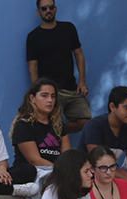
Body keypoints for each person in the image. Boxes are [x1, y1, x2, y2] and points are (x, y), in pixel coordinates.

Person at [26, 0, 91, 134]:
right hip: (50, 92)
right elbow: (33, 67)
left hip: (72, 89)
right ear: (39, 12)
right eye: (44, 9)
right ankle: (56, 136)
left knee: (86, 122)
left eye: (51, 7)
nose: (48, 11)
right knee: (51, 123)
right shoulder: (33, 37)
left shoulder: (68, 28)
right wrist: (37, 92)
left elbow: (79, 54)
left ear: (55, 9)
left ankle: (59, 130)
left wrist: (82, 81)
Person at [8, 78, 72, 198]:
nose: (50, 100)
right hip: (32, 174)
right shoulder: (23, 125)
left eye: (53, 96)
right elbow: (34, 160)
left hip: (56, 172)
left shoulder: (59, 125)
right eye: (44, 95)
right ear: (32, 98)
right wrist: (61, 171)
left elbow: (67, 156)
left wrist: (67, 170)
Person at [81, 87, 127, 184]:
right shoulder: (94, 125)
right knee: (126, 179)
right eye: (126, 107)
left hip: (108, 173)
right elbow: (98, 162)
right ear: (112, 107)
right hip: (88, 174)